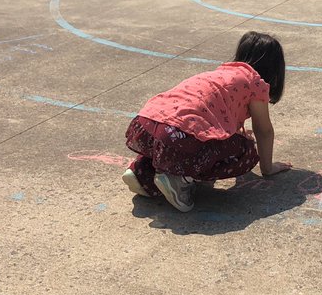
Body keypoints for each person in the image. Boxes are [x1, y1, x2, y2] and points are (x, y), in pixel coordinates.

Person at [122, 31, 290, 212]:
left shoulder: (220, 73)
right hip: (178, 135)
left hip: (146, 125)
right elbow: (263, 130)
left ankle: (141, 174)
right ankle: (180, 179)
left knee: (169, 147)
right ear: (274, 68)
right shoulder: (255, 83)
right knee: (245, 149)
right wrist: (267, 167)